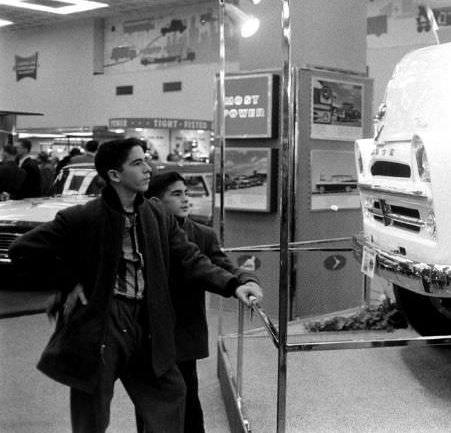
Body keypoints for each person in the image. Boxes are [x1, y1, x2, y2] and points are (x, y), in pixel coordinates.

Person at [9, 137, 263, 433]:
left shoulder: (156, 215)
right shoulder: (82, 217)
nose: (148, 168)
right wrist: (69, 281)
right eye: (138, 162)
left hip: (148, 319)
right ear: (115, 175)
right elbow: (22, 249)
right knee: (92, 411)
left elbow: (191, 258)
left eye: (146, 160)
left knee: (169, 395)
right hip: (103, 322)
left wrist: (233, 285)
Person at [135, 171, 259, 433]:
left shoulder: (202, 234)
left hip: (183, 334)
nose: (185, 200)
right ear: (155, 202)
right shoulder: (139, 234)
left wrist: (247, 280)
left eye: (187, 193)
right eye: (176, 194)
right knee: (151, 409)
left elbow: (222, 266)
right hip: (148, 335)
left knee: (188, 403)